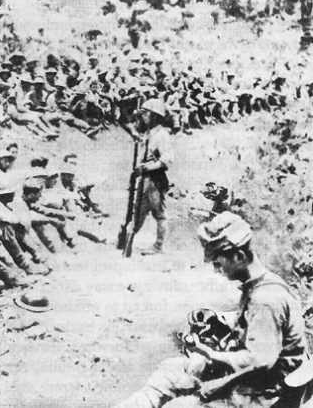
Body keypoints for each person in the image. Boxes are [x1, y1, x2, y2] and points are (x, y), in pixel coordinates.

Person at [115, 212, 309, 408]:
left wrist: (211, 356)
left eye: (218, 263)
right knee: (170, 371)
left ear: (239, 256)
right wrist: (219, 318)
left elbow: (258, 363)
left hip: (264, 394)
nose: (216, 270)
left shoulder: (265, 300)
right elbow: (258, 324)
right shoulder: (261, 285)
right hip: (250, 378)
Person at [131, 98, 174, 256]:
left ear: (155, 116)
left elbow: (168, 158)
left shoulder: (162, 135)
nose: (143, 117)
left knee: (159, 213)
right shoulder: (149, 133)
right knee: (139, 210)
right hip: (145, 178)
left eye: (146, 114)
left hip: (155, 179)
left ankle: (158, 246)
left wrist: (148, 167)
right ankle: (129, 235)